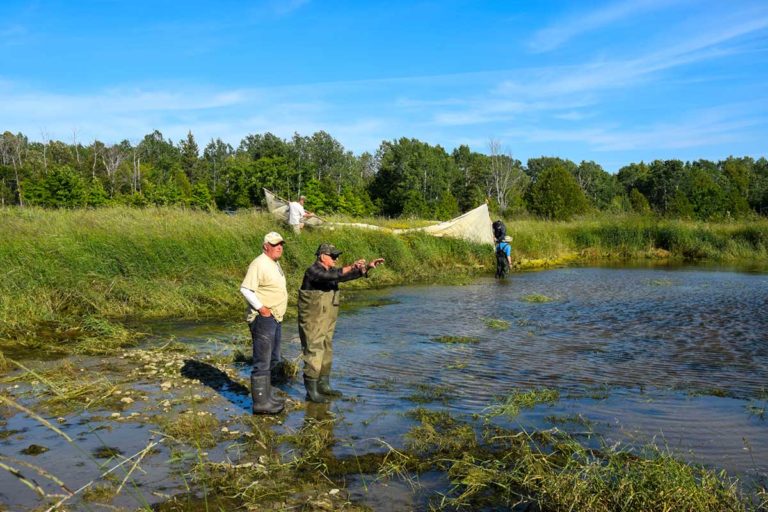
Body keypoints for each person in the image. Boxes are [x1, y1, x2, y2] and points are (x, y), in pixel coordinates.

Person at [298, 243, 384, 403]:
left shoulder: (330, 271)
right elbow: (332, 276)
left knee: (326, 347)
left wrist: (367, 268)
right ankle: (312, 392)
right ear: (323, 256)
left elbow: (343, 276)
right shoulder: (313, 271)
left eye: (337, 256)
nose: (336, 259)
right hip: (313, 318)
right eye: (333, 256)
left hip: (326, 318)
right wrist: (351, 266)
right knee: (313, 348)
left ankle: (323, 385)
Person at [240, 231, 288, 414]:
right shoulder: (259, 263)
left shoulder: (274, 263)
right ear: (265, 246)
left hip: (275, 317)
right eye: (275, 245)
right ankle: (261, 404)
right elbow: (245, 289)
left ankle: (267, 397)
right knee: (262, 361)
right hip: (263, 319)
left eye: (281, 244)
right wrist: (262, 308)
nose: (279, 248)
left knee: (271, 359)